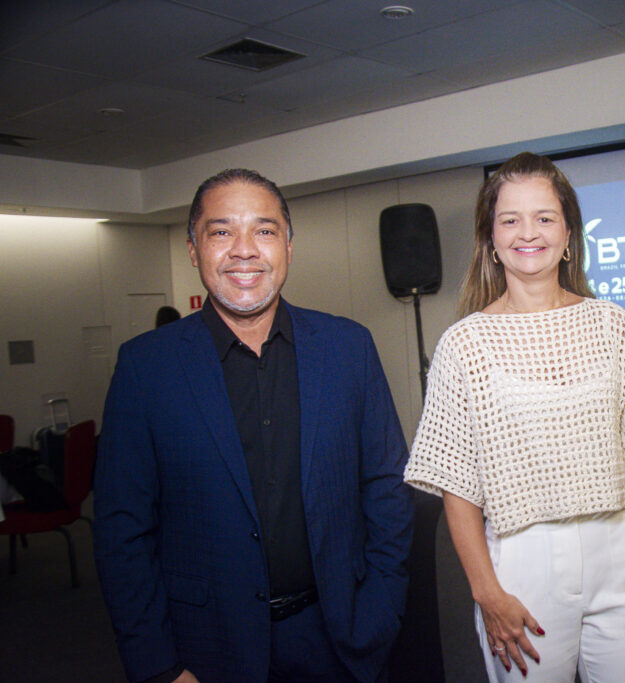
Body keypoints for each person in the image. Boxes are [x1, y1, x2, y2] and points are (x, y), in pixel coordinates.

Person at [94, 169, 413, 683]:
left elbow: (385, 487)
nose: (244, 250)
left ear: (288, 245)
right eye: (221, 231)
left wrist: (382, 609)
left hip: (342, 639)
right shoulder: (145, 368)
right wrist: (158, 665)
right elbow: (122, 530)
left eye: (264, 230)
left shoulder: (348, 348)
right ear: (194, 249)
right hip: (205, 652)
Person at [404, 152, 625, 682]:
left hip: (620, 556)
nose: (527, 233)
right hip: (522, 567)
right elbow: (457, 487)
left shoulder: (612, 325)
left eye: (544, 217)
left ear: (568, 233)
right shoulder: (464, 345)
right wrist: (486, 592)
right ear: (490, 239)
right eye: (510, 219)